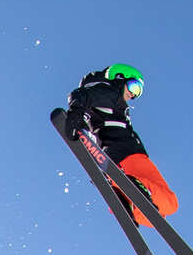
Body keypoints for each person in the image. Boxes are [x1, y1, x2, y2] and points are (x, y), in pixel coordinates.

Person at [65, 63, 178, 227]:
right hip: (129, 153)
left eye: (138, 92)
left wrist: (78, 116)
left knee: (153, 217)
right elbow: (81, 95)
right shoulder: (111, 94)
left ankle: (122, 194)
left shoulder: (107, 101)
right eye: (134, 86)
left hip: (113, 157)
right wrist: (75, 113)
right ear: (119, 78)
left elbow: (84, 98)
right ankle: (130, 186)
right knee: (170, 203)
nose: (133, 94)